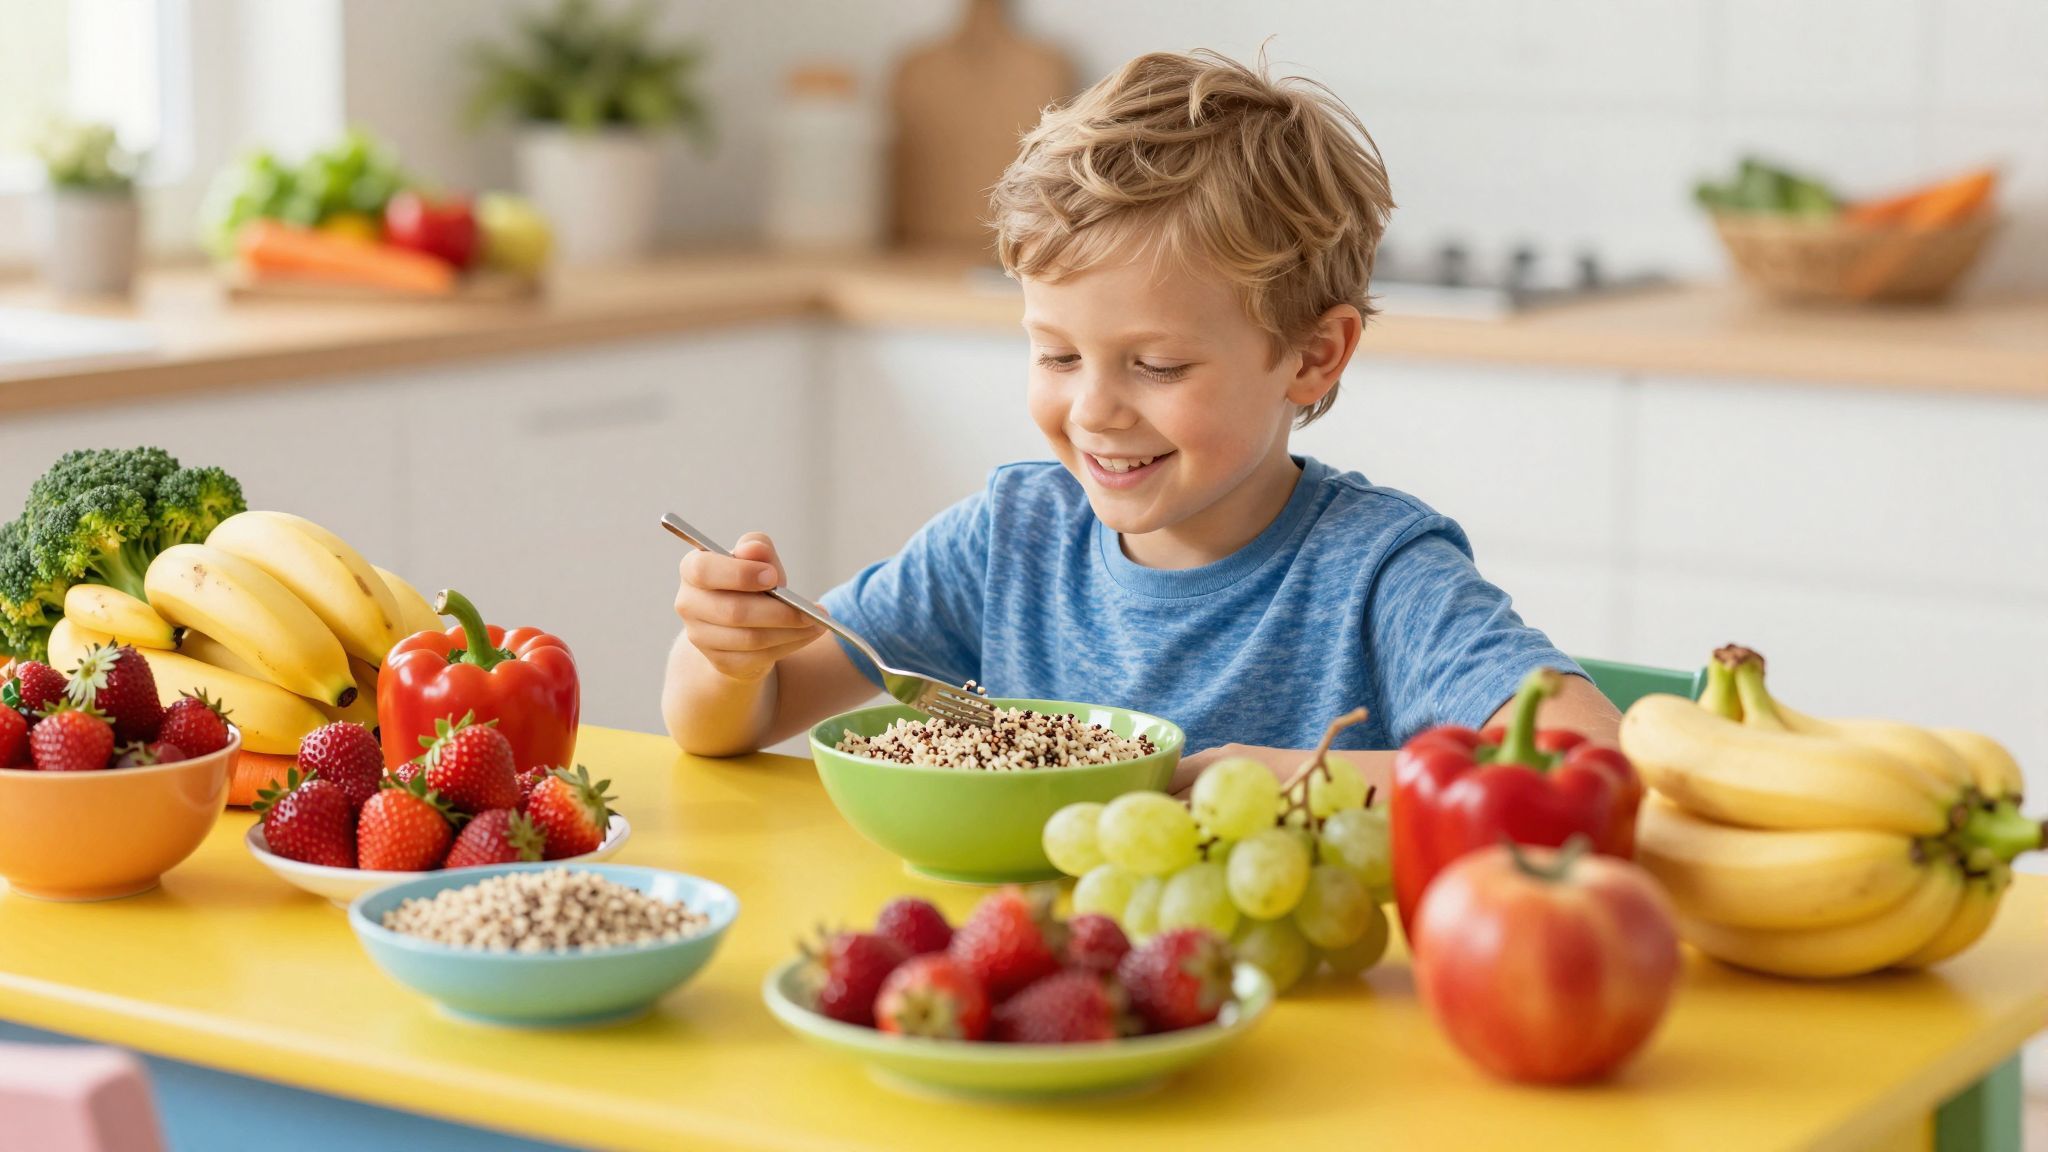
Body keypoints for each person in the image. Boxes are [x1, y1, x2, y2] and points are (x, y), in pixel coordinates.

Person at [662, 49, 1617, 789]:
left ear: (1313, 355)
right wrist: (727, 657)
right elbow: (742, 716)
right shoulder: (1009, 541)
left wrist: (1295, 781)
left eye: (1157, 366)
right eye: (1057, 354)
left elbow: (1586, 766)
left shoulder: (1377, 573)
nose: (1094, 410)